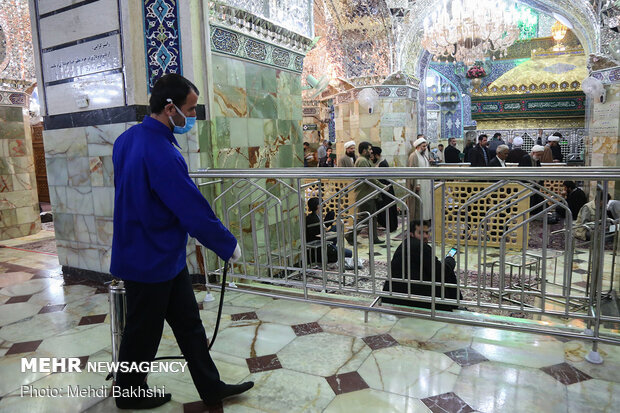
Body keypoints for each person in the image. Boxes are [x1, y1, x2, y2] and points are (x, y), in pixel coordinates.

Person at [111, 74, 253, 409]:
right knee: (142, 332)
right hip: (150, 259)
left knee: (189, 325)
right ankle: (128, 394)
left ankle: (210, 386)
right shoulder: (161, 152)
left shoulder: (126, 139)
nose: (190, 117)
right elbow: (190, 208)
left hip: (157, 254)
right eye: (189, 110)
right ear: (169, 107)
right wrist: (227, 244)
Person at [382, 220, 462, 311]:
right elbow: (440, 272)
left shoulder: (405, 244)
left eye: (427, 232)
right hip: (411, 297)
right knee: (448, 272)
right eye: (421, 233)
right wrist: (450, 260)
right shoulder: (421, 247)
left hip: (392, 294)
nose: (425, 236)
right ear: (411, 234)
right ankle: (455, 304)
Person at [346, 142, 387, 245]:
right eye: (369, 149)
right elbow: (370, 178)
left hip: (370, 194)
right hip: (364, 195)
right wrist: (381, 187)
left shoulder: (366, 160)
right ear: (364, 151)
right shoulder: (362, 161)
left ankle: (374, 238)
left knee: (373, 218)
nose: (371, 151)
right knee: (364, 219)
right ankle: (349, 235)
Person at [305, 198, 352, 262]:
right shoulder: (312, 219)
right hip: (319, 244)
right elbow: (317, 234)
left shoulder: (316, 216)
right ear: (317, 206)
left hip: (322, 238)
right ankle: (331, 250)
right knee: (349, 253)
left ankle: (332, 247)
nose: (323, 205)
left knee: (335, 228)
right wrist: (328, 233)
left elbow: (321, 229)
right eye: (321, 204)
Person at [373, 146, 398, 232]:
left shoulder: (382, 163)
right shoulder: (381, 162)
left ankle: (390, 226)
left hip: (386, 189)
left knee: (388, 209)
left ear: (376, 155)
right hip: (385, 188)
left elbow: (382, 178)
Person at [407, 136, 433, 221]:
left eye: (425, 146)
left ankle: (425, 219)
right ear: (418, 147)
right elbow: (412, 171)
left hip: (426, 183)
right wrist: (417, 183)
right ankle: (418, 220)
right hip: (419, 184)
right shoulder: (413, 156)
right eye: (423, 146)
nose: (425, 148)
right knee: (418, 204)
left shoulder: (424, 156)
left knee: (426, 202)